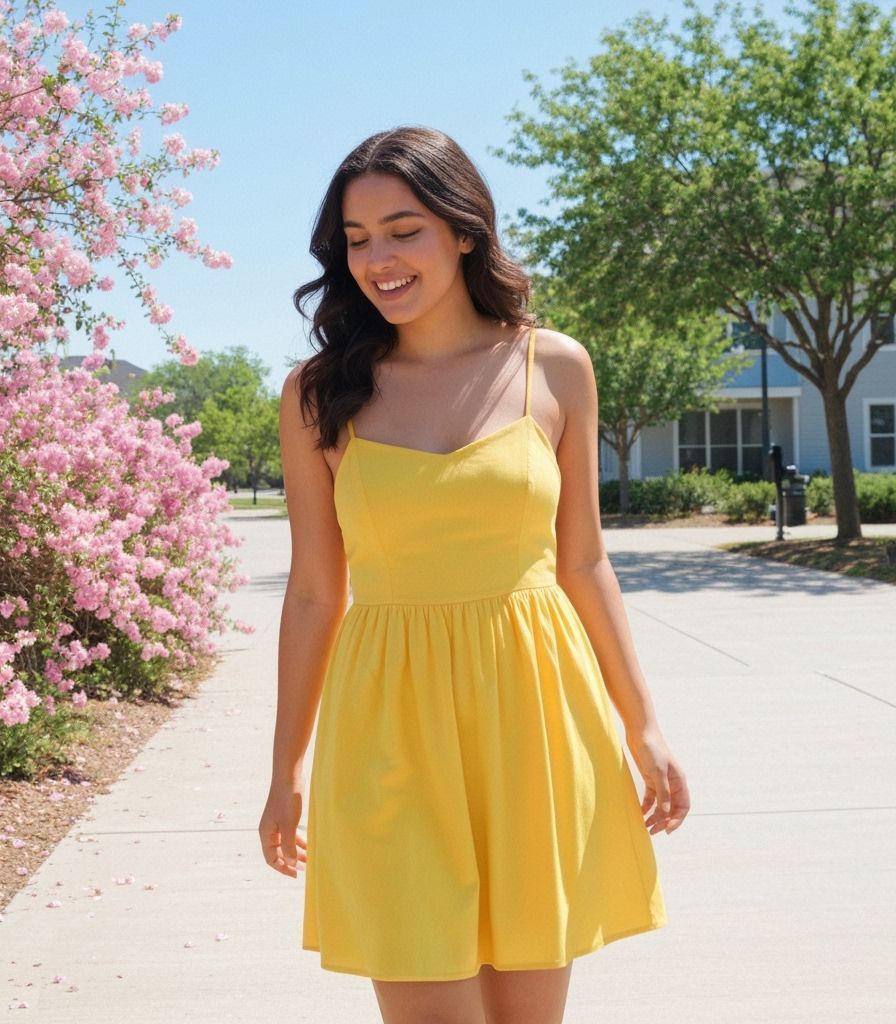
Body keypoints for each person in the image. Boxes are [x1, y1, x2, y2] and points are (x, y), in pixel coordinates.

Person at [258, 125, 690, 1024]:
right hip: (389, 722)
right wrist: (284, 766)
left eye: (403, 228)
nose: (379, 257)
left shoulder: (556, 365)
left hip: (533, 710)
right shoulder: (316, 393)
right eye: (358, 237)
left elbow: (583, 561)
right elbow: (311, 593)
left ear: (462, 229)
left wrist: (642, 725)